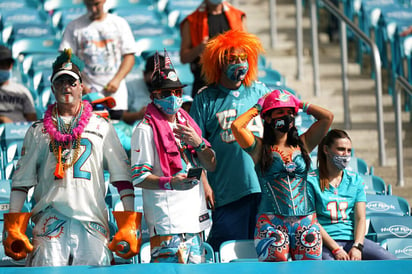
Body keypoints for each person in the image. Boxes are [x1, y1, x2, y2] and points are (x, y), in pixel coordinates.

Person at [2, 49, 141, 266]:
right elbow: (21, 183)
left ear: (81, 87)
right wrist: (12, 225)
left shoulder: (101, 126)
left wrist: (129, 222)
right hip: (50, 220)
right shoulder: (38, 131)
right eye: (60, 82)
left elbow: (122, 178)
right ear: (52, 87)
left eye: (72, 82)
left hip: (91, 220)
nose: (66, 87)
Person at [130, 50, 216, 263]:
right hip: (167, 223)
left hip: (195, 220)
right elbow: (139, 177)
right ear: (155, 96)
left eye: (177, 92)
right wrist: (171, 183)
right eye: (166, 93)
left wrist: (198, 143)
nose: (173, 98)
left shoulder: (189, 124)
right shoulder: (145, 129)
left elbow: (211, 165)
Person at [189, 29, 270, 251]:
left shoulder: (260, 92)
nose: (239, 64)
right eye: (232, 59)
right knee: (227, 249)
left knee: (264, 253)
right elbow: (193, 148)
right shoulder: (205, 99)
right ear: (219, 63)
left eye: (243, 58)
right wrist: (203, 183)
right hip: (226, 191)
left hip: (263, 188)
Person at [231, 88, 334, 261]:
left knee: (310, 270)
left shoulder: (304, 143)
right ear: (269, 118)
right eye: (280, 112)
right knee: (275, 270)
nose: (287, 116)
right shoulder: (259, 148)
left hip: (306, 220)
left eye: (289, 113)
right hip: (271, 221)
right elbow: (236, 126)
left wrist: (299, 103)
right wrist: (258, 107)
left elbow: (327, 117)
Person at [307, 129, 397, 260]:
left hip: (352, 240)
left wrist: (357, 246)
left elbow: (360, 218)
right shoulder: (311, 181)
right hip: (324, 242)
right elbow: (312, 221)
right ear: (326, 150)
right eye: (341, 149)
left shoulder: (355, 180)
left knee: (391, 261)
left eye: (349, 150)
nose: (346, 154)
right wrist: (336, 249)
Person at [59, 0, 136, 120]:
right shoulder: (74, 27)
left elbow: (129, 56)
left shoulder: (119, 23)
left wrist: (117, 80)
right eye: (89, 5)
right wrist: (80, 84)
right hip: (87, 93)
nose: (93, 9)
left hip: (115, 95)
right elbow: (66, 59)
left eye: (96, 4)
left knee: (116, 131)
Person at [180, 0, 246, 97]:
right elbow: (184, 58)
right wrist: (199, 48)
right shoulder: (191, 21)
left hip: (234, 82)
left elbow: (248, 49)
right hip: (204, 83)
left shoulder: (237, 16)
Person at [123, 54, 166, 125]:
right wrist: (138, 115)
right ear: (144, 74)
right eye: (154, 76)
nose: (157, 80)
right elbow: (121, 115)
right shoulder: (131, 86)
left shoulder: (170, 88)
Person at [0, 45, 37, 123]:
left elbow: (33, 122)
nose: (1, 68)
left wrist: (12, 125)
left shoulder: (22, 91)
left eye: (5, 64)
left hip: (18, 133)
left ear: (11, 66)